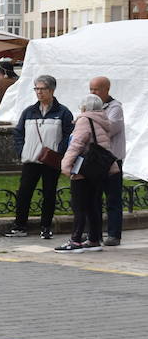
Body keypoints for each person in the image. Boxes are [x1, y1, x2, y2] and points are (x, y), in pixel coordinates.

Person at [5, 74, 74, 240]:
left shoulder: (63, 112)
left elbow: (68, 135)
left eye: (42, 89)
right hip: (31, 159)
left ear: (51, 90)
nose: (39, 92)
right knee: (24, 192)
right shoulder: (29, 111)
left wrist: (59, 151)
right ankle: (20, 225)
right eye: (36, 88)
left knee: (49, 193)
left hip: (51, 160)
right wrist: (22, 150)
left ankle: (46, 226)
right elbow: (18, 133)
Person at [55, 95, 119, 253]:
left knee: (79, 206)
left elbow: (77, 144)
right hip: (98, 169)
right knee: (92, 205)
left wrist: (65, 165)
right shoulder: (102, 120)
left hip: (83, 169)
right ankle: (94, 239)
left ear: (84, 107)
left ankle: (75, 241)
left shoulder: (84, 120)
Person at [89, 76, 125, 246]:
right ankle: (94, 234)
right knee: (94, 198)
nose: (93, 93)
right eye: (91, 89)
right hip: (95, 160)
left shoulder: (115, 107)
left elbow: (109, 128)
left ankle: (114, 234)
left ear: (106, 89)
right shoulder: (91, 107)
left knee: (113, 199)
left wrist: (91, 120)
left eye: (96, 89)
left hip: (112, 160)